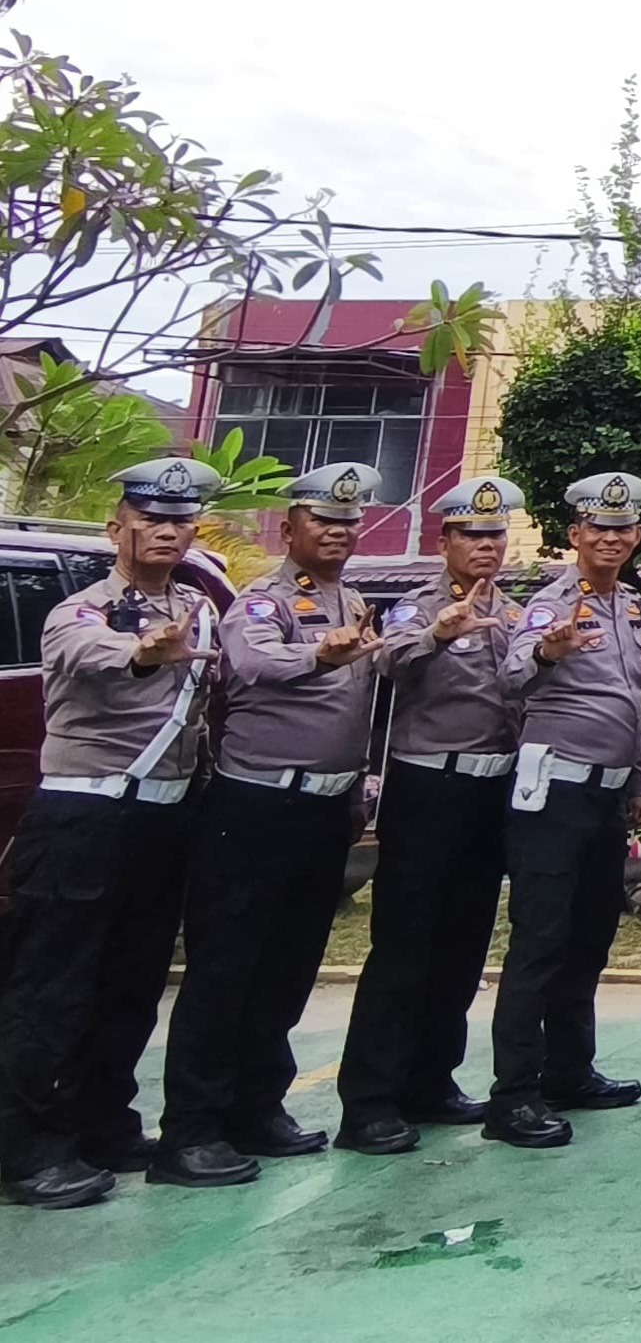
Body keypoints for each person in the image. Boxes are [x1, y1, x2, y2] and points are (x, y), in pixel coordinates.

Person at [0, 458, 226, 1211]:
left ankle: (103, 1122)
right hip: (83, 819)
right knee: (51, 989)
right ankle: (28, 1148)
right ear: (117, 527)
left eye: (179, 521)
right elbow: (87, 655)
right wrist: (143, 652)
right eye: (150, 519)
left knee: (132, 985)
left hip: (162, 819)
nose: (166, 531)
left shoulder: (203, 607)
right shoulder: (80, 611)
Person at [156, 463, 390, 1186]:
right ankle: (190, 1130)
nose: (339, 532)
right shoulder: (262, 601)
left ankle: (258, 1105)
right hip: (255, 807)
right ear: (289, 529)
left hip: (325, 807)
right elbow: (253, 663)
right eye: (323, 520)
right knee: (226, 968)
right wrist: (323, 651)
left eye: (349, 523)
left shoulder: (353, 599)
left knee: (289, 967)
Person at [336, 475, 528, 1156]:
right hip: (428, 787)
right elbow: (386, 664)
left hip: (491, 789)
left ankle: (431, 1079)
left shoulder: (515, 613)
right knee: (405, 944)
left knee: (464, 942)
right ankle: (370, 1101)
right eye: (472, 534)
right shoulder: (413, 608)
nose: (486, 545)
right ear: (443, 539)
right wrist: (440, 637)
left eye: (496, 534)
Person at [486, 471, 641, 1149]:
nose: (610, 538)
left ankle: (569, 1070)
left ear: (636, 536)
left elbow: (631, 701)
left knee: (590, 936)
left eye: (623, 529)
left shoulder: (633, 609)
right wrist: (547, 652)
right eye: (598, 528)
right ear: (576, 534)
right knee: (540, 941)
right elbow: (510, 676)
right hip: (554, 788)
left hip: (609, 791)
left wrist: (639, 776)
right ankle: (514, 1096)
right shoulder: (553, 602)